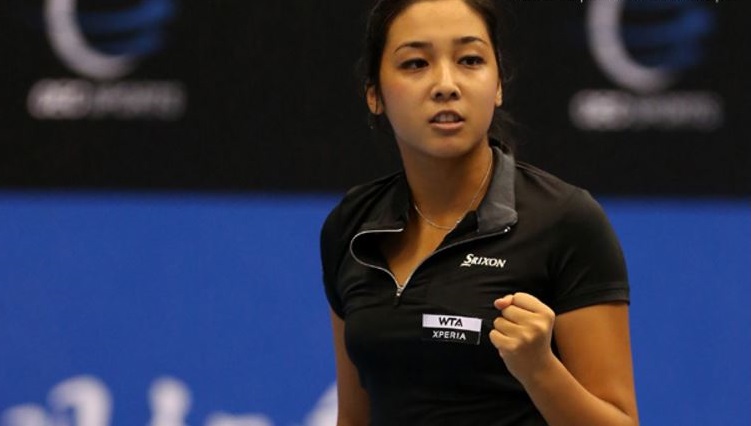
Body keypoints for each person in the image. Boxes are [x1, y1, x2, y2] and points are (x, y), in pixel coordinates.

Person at [319, 0, 639, 424]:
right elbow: (354, 419)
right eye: (416, 64)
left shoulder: (566, 221)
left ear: (498, 84)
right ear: (375, 95)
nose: (445, 84)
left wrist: (539, 369)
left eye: (470, 60)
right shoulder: (352, 227)